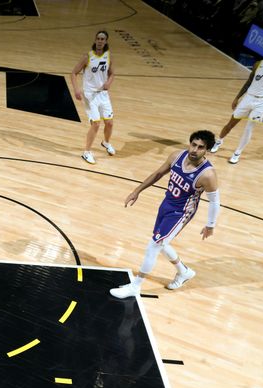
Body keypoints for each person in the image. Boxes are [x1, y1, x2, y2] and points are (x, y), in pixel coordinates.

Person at [110, 130, 220, 298]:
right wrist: (137, 190)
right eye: (193, 145)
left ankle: (136, 286)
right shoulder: (176, 156)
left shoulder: (208, 174)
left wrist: (210, 225)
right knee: (161, 243)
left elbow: (215, 201)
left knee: (153, 246)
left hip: (181, 212)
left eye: (200, 147)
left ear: (207, 150)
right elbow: (158, 174)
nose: (195, 150)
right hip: (166, 204)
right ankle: (184, 272)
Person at [210, 41, 263, 164]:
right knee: (231, 123)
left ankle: (237, 153)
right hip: (248, 98)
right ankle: (219, 141)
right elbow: (249, 82)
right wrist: (237, 98)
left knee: (248, 128)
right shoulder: (258, 64)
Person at [71, 30, 116, 165]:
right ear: (95, 40)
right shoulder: (87, 57)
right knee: (96, 123)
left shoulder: (109, 56)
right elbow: (73, 73)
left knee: (109, 123)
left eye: (102, 39)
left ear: (106, 41)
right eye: (98, 38)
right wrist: (76, 89)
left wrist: (109, 82)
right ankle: (87, 152)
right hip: (90, 94)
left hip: (103, 94)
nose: (100, 41)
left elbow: (112, 73)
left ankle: (106, 142)